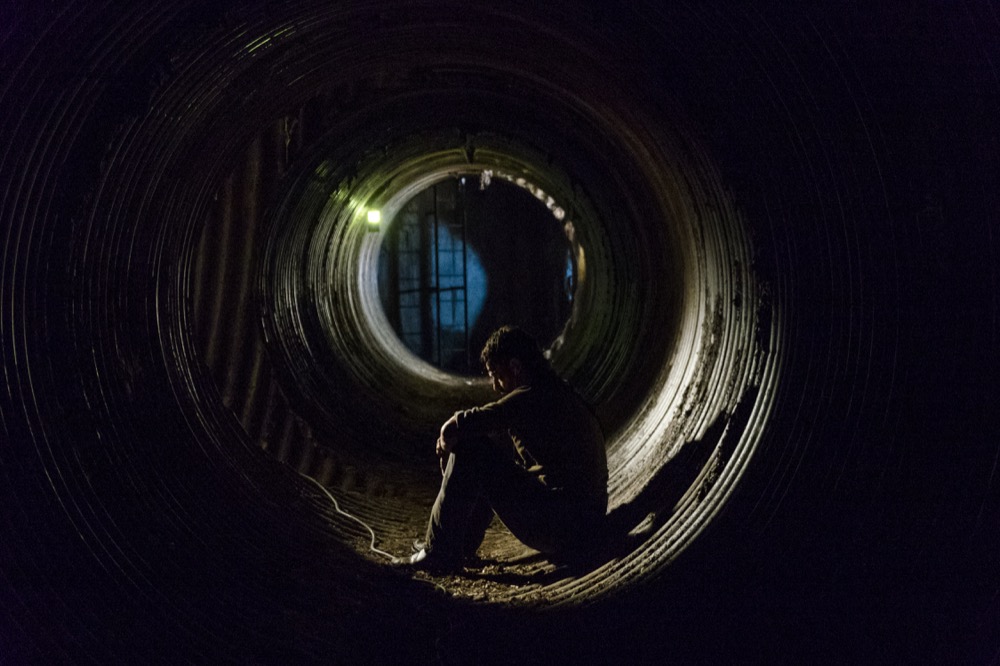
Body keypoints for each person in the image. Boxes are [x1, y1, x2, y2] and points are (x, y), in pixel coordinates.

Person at [403, 326, 608, 572]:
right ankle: (459, 545)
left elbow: (463, 425)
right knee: (492, 455)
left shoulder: (532, 396)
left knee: (473, 448)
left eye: (496, 375)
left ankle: (439, 552)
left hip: (563, 527)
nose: (495, 386)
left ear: (516, 367)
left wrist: (448, 442)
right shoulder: (555, 389)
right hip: (583, 524)